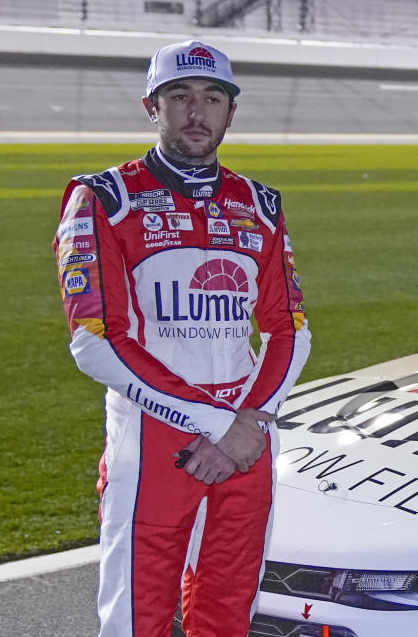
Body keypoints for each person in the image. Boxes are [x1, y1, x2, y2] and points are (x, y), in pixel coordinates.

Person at [52, 39, 311, 636]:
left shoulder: (261, 204)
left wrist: (251, 422)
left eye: (212, 97)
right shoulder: (103, 198)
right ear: (152, 105)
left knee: (229, 611)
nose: (197, 112)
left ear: (230, 111)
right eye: (179, 96)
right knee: (135, 617)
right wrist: (222, 427)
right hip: (156, 435)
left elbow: (287, 329)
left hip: (249, 438)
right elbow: (97, 341)